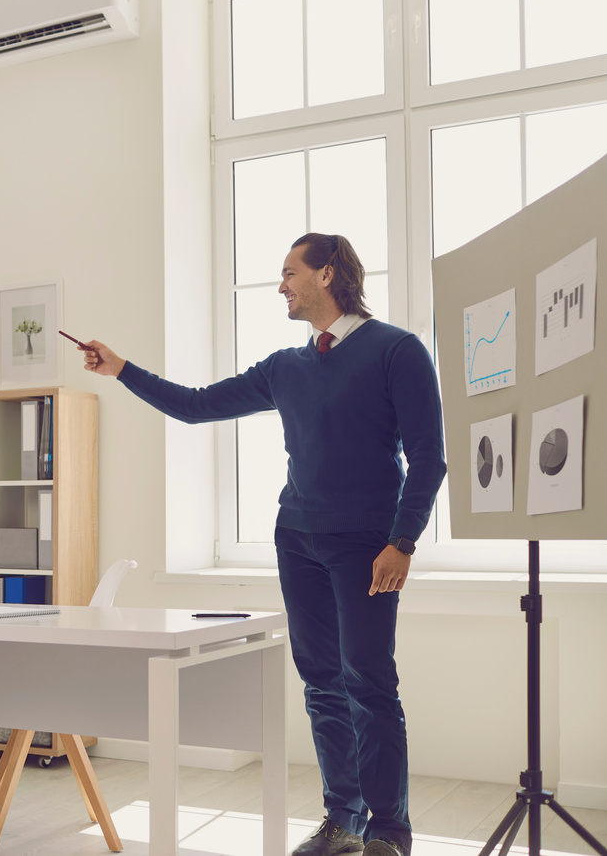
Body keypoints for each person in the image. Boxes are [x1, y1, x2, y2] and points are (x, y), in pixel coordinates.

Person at [79, 233, 445, 856]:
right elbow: (195, 407)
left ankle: (389, 831)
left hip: (367, 543)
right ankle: (343, 820)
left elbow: (429, 458)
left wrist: (403, 541)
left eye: (289, 272)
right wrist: (121, 370)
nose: (281, 285)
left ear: (327, 274)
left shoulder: (397, 350)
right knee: (322, 682)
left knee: (369, 679)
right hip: (298, 539)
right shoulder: (285, 367)